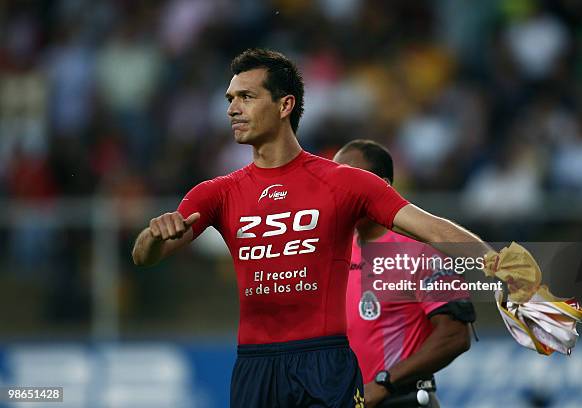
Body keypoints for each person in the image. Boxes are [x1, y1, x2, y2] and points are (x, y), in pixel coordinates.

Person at [132, 48, 494, 408]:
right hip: (254, 365)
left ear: (285, 105)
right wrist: (152, 235)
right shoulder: (216, 193)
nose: (232, 109)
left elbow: (433, 230)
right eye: (230, 99)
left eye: (246, 97)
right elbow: (145, 257)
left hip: (325, 362)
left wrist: (509, 271)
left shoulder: (345, 183)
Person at [334, 140, 476, 408]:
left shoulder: (422, 252)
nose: (339, 190)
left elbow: (455, 336)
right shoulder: (334, 253)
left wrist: (384, 383)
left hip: (401, 400)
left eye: (350, 178)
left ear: (383, 185)